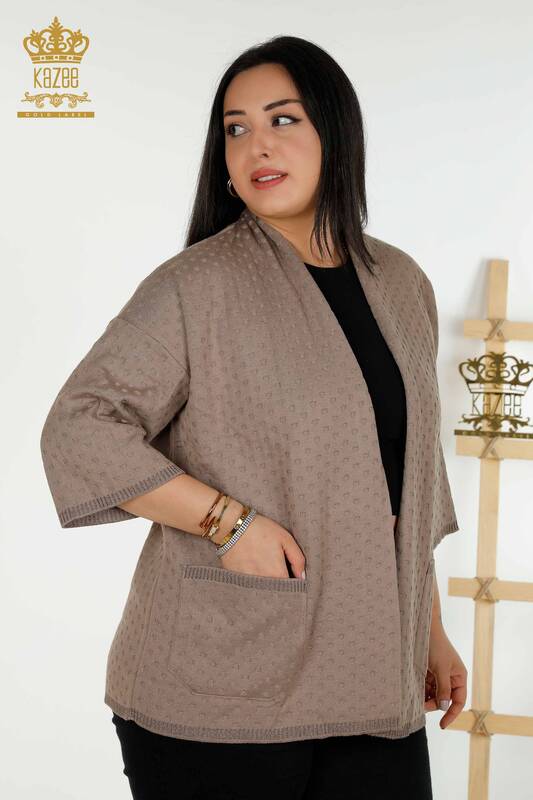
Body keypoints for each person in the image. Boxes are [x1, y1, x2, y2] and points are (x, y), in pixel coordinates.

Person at [40, 34, 467, 800]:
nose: (255, 146)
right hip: (218, 692)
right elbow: (82, 425)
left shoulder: (402, 284)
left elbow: (405, 473)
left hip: (374, 679)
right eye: (234, 129)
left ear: (336, 132)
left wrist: (428, 631)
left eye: (282, 119)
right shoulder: (195, 286)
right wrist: (227, 523)